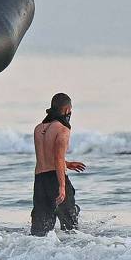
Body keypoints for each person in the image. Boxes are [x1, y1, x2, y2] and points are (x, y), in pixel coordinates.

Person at [30, 93, 86, 236]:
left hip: (40, 182)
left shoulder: (38, 128)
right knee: (70, 228)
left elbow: (47, 157)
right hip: (55, 179)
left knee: (39, 232)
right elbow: (57, 159)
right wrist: (62, 187)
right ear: (67, 110)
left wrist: (67, 164)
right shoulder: (62, 129)